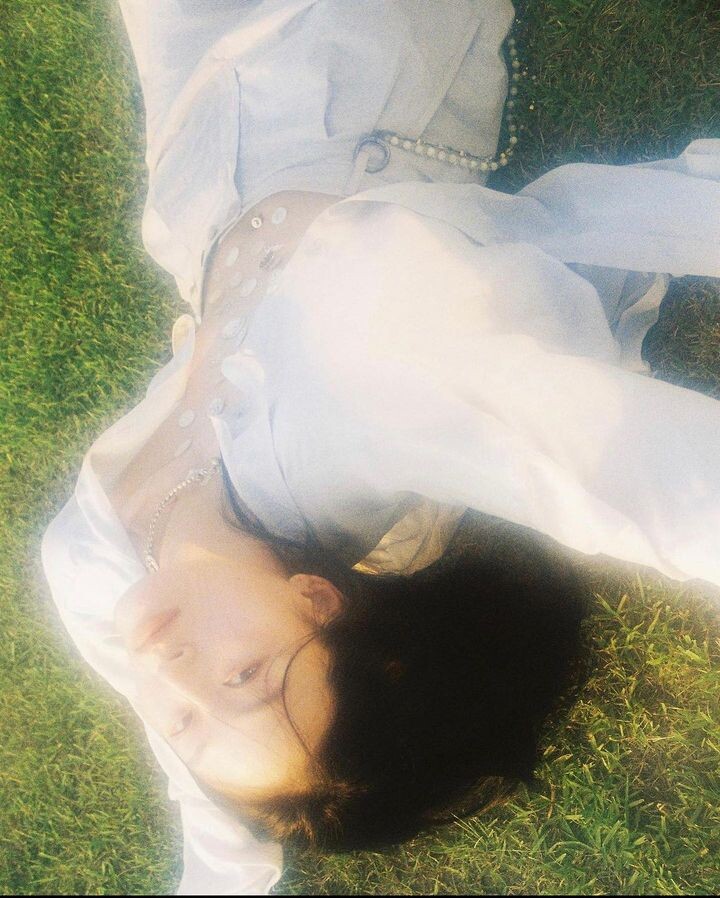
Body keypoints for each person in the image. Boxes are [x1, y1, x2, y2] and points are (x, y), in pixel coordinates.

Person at [39, 1, 720, 894]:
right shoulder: (359, 413)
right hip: (357, 49)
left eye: (184, 725)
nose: (173, 678)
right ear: (317, 599)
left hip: (205, 146)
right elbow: (644, 483)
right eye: (243, 675)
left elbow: (214, 829)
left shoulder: (93, 581)